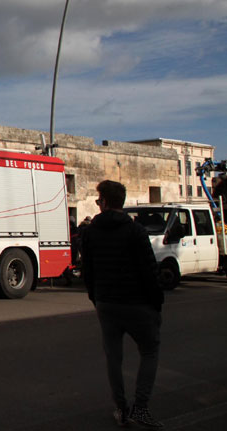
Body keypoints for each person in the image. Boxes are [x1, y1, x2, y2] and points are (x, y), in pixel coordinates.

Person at [81, 180, 164, 429]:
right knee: (149, 352)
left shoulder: (90, 232)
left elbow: (88, 271)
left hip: (107, 303)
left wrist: (96, 298)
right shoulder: (135, 231)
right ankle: (141, 407)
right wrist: (156, 303)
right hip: (137, 303)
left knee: (113, 358)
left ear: (105, 202)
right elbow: (150, 270)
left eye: (99, 200)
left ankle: (121, 408)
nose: (98, 204)